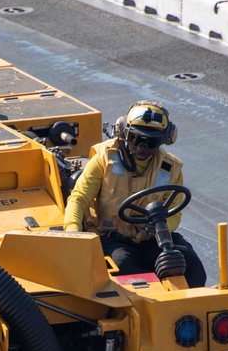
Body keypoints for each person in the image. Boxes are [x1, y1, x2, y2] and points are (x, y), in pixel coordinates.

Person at [63, 100, 206, 288]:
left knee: (192, 267)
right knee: (125, 268)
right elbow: (79, 197)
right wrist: (73, 234)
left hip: (152, 238)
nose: (142, 148)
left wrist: (160, 229)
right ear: (124, 133)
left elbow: (174, 213)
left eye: (151, 142)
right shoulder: (104, 158)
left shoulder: (171, 169)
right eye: (136, 139)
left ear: (165, 139)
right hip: (112, 238)